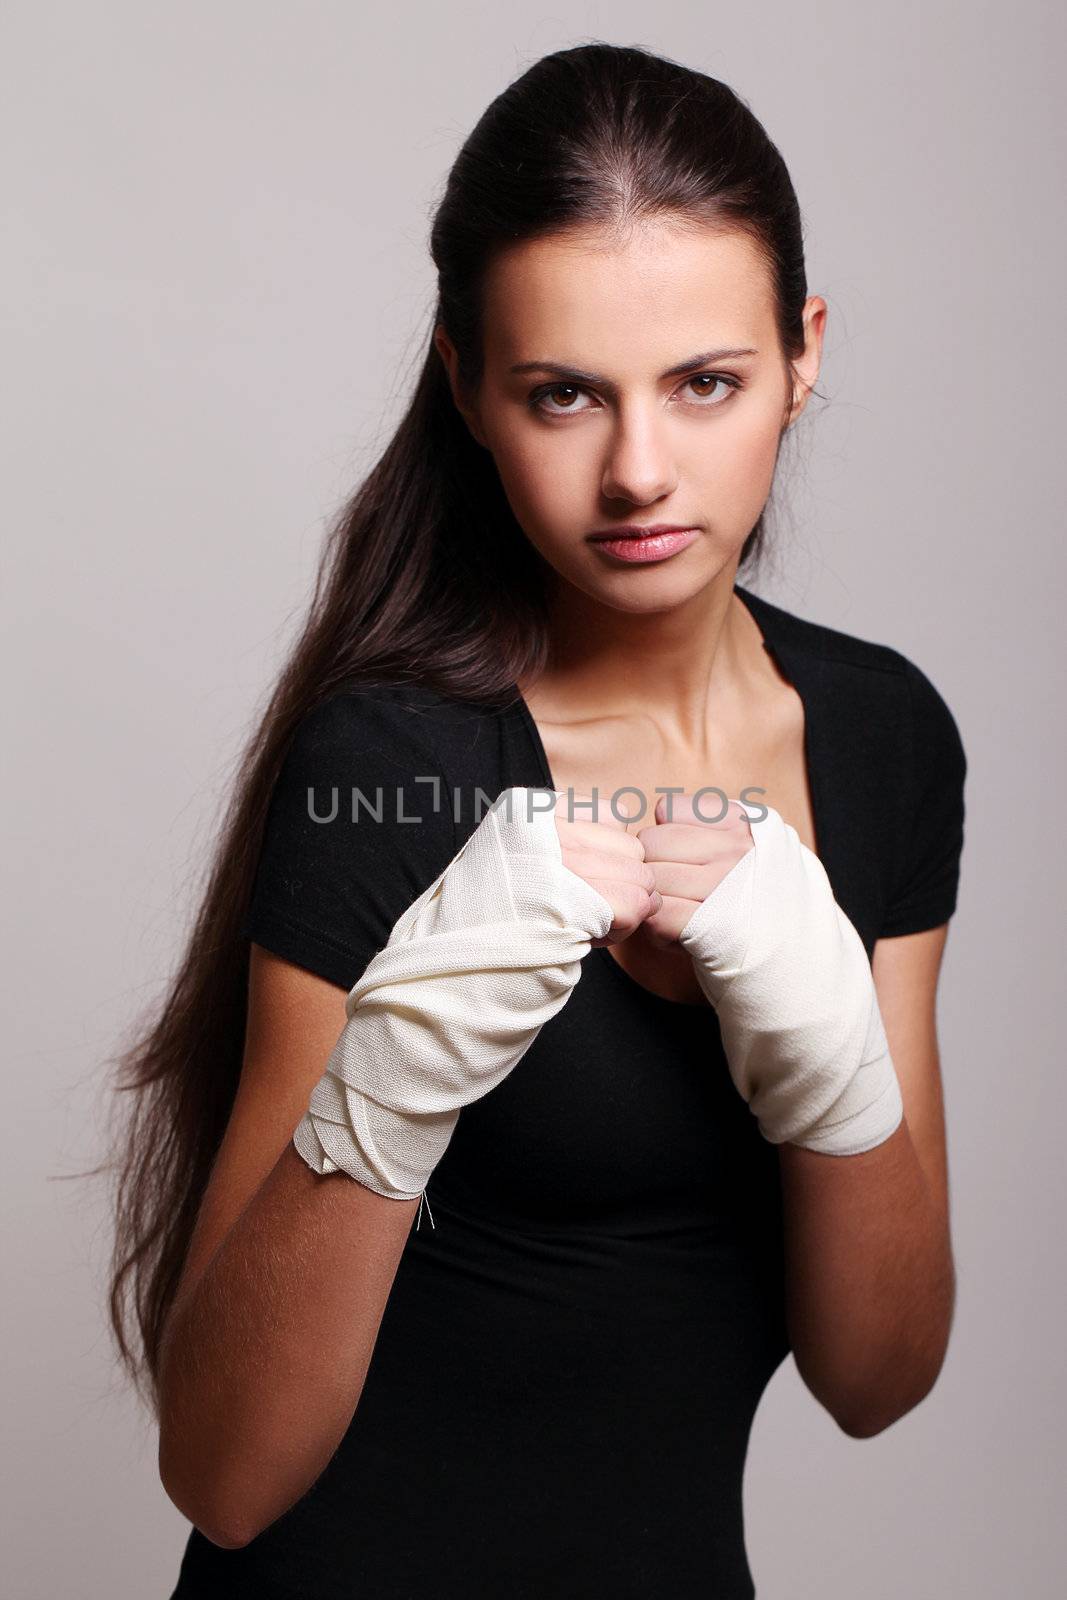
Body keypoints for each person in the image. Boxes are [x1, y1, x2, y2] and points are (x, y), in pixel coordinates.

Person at [103, 42, 966, 1599]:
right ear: (467, 386)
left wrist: (833, 1060)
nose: (639, 471)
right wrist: (395, 1073)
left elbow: (880, 1373)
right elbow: (225, 1480)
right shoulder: (390, 761)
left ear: (803, 352)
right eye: (564, 393)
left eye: (706, 382)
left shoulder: (885, 739)